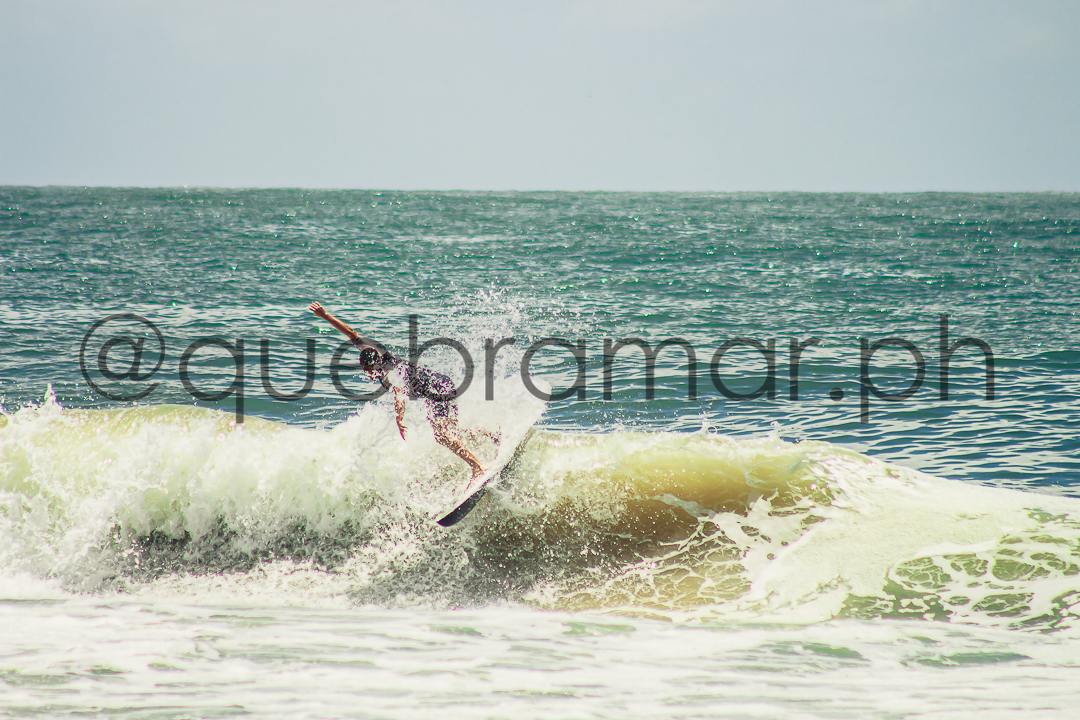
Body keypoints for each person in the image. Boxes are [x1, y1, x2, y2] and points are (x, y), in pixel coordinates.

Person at [309, 301, 491, 480]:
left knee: (442, 435)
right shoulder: (368, 350)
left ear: (377, 363)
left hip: (438, 389)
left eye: (369, 370)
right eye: (364, 369)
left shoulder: (390, 370)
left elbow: (399, 392)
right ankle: (494, 437)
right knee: (452, 432)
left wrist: (399, 418)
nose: (368, 373)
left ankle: (478, 467)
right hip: (440, 384)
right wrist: (325, 316)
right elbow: (351, 333)